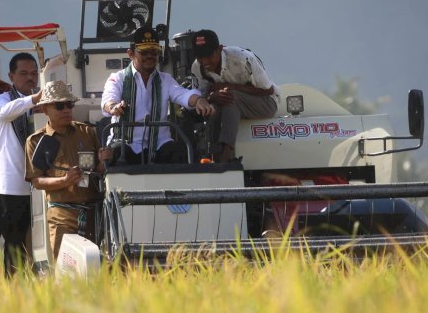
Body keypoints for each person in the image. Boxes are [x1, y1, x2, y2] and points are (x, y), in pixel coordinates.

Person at [101, 27, 215, 164]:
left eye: (154, 52)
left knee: (181, 152)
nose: (150, 56)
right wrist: (114, 107)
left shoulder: (165, 80)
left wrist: (199, 100)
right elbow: (108, 100)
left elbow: (183, 95)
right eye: (144, 52)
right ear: (131, 54)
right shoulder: (118, 78)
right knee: (118, 154)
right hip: (126, 143)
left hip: (159, 144)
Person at [24, 81, 110, 259]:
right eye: (59, 105)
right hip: (61, 215)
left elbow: (98, 171)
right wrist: (64, 181)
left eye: (69, 104)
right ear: (45, 109)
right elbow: (36, 181)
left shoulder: (87, 132)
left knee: (94, 270)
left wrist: (103, 161)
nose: (66, 110)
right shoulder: (35, 141)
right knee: (65, 272)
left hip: (92, 214)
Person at [191, 29, 279, 162]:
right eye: (200, 57)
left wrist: (232, 87)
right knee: (213, 107)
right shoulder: (198, 67)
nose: (205, 61)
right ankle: (213, 156)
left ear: (220, 49)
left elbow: (268, 90)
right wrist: (212, 97)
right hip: (231, 106)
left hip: (266, 103)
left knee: (230, 96)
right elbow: (200, 98)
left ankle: (227, 155)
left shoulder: (243, 59)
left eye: (209, 55)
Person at [0, 52, 41, 276]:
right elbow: (5, 113)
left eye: (34, 73)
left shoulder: (41, 103)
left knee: (39, 245)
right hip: (13, 187)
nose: (30, 78)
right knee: (14, 246)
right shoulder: (1, 100)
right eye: (23, 73)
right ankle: (12, 296)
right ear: (11, 76)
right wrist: (34, 100)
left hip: (41, 185)